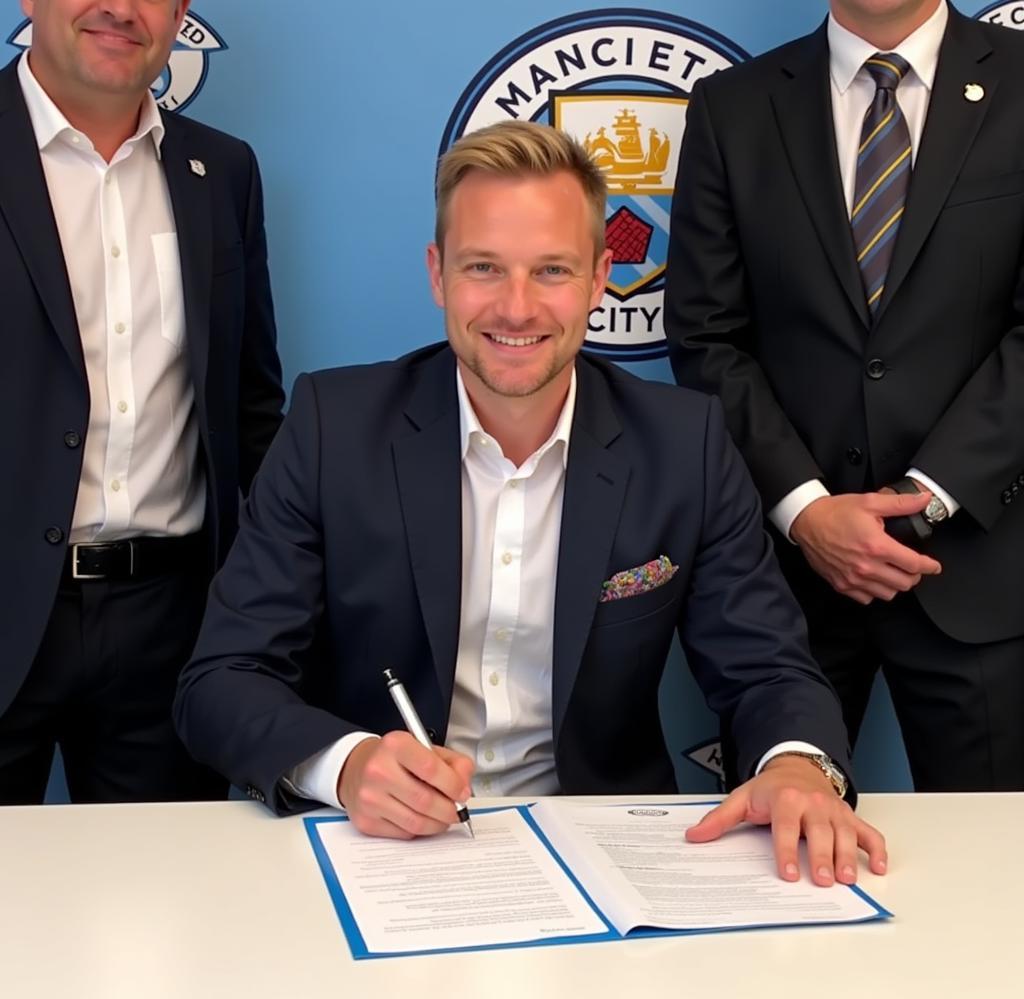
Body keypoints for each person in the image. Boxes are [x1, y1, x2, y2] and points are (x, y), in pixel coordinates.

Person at [176, 120, 886, 886]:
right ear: (438, 274)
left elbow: (768, 671)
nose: (516, 309)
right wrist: (347, 768)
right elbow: (223, 679)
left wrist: (798, 768)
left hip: (606, 854)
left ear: (598, 279)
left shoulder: (686, 444)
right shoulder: (331, 428)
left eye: (551, 271)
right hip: (375, 851)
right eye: (484, 267)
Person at [665, 0, 1024, 791]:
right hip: (789, 585)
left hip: (980, 574)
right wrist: (807, 512)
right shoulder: (734, 106)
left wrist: (923, 498)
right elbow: (705, 338)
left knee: (998, 882)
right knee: (777, 866)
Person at [0, 0, 284, 803]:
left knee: (162, 914)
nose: (121, 9)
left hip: (170, 624)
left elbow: (251, 405)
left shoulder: (223, 173)